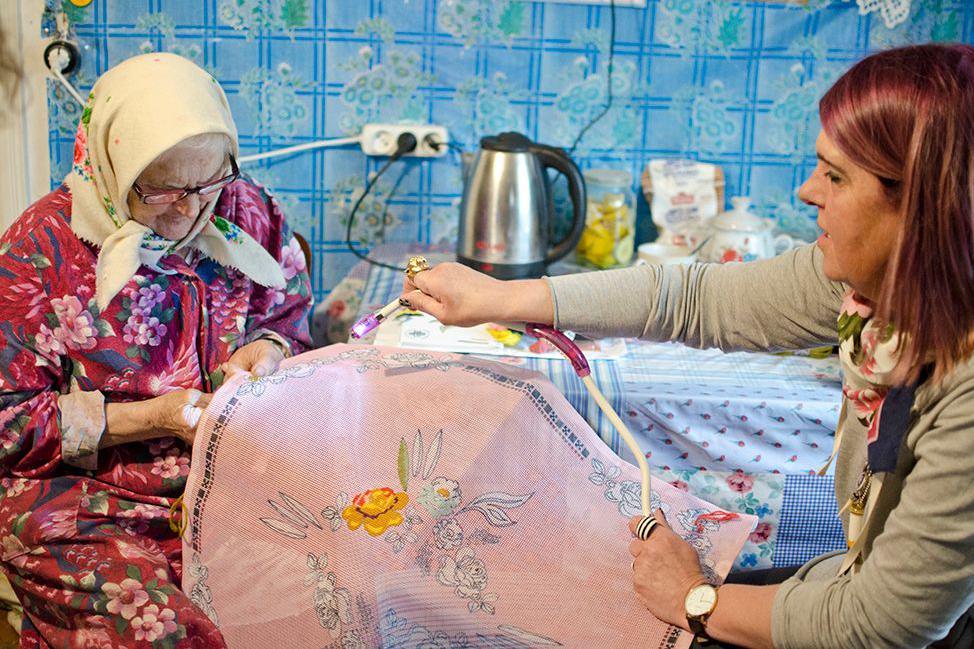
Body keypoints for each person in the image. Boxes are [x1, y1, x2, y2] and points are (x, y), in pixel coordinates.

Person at [400, 43, 974, 648]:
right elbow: (694, 300)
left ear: (920, 210)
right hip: (843, 591)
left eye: (835, 176)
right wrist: (500, 298)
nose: (808, 192)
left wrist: (694, 601)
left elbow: (881, 624)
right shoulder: (877, 291)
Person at [0, 53, 312, 647]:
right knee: (166, 630)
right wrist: (154, 417)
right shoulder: (38, 249)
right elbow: (7, 422)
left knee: (342, 588)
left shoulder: (248, 210)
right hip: (88, 495)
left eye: (210, 181)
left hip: (233, 474)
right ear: (112, 165)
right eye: (163, 189)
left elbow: (288, 317)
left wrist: (269, 350)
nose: (194, 209)